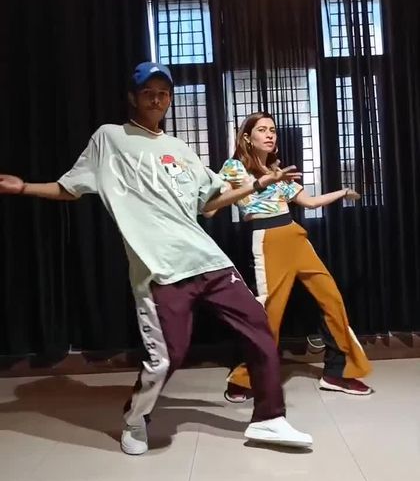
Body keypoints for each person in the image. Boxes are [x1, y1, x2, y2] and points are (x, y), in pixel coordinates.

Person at [0, 63, 313, 455]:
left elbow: (209, 204)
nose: (156, 98)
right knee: (168, 357)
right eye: (148, 91)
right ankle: (135, 417)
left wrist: (258, 184)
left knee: (259, 327)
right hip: (160, 268)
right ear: (132, 97)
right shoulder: (110, 138)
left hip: (207, 259)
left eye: (163, 92)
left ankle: (269, 419)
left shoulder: (180, 149)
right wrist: (24, 187)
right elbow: (70, 188)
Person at [209, 112, 372, 402]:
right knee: (269, 313)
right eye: (262, 130)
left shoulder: (277, 170)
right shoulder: (234, 167)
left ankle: (337, 373)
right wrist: (254, 185)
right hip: (268, 240)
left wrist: (343, 192)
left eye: (272, 130)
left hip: (296, 237)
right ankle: (246, 378)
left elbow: (309, 202)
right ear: (247, 137)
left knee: (332, 300)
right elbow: (210, 208)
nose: (270, 134)